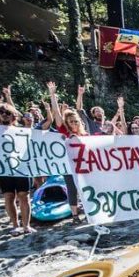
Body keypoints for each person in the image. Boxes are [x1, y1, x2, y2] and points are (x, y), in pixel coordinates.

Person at [0, 88, 34, 235]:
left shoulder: (21, 130)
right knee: (8, 196)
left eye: (7, 113)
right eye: (1, 113)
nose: (4, 115)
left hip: (21, 167)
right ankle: (15, 225)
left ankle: (26, 225)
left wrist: (8, 97)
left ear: (12, 115)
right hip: (4, 168)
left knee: (24, 196)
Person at [47, 81, 83, 223]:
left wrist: (80, 95)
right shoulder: (64, 132)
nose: (74, 124)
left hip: (84, 166)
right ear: (67, 123)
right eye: (71, 122)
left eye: (76, 121)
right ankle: (75, 216)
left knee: (85, 188)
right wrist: (52, 95)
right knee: (72, 189)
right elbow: (56, 112)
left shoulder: (84, 135)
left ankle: (88, 212)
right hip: (68, 166)